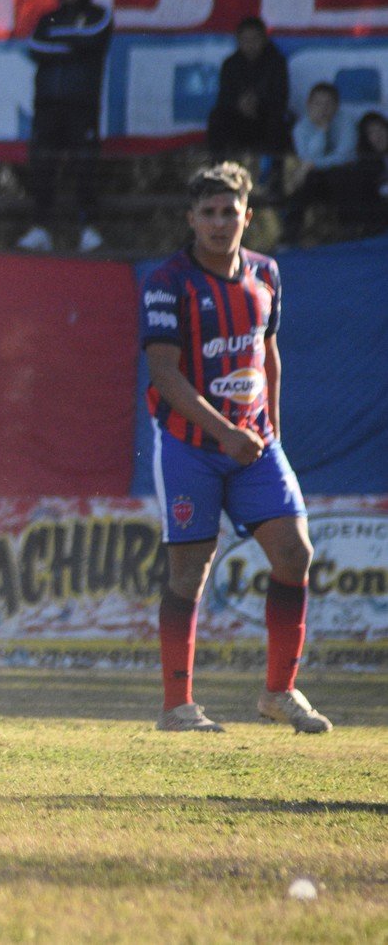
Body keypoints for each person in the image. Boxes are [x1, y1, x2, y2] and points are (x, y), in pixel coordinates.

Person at [140, 161, 330, 735]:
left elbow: (268, 355)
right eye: (209, 213)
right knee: (188, 575)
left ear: (250, 215)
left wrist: (271, 431)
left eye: (231, 212)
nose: (220, 223)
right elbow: (164, 374)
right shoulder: (168, 282)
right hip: (189, 446)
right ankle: (178, 708)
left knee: (295, 555)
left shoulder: (267, 275)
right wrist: (224, 432)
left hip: (256, 445)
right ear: (191, 219)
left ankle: (279, 694)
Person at [17, 0, 113, 255]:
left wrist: (59, 46)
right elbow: (35, 47)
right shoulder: (49, 19)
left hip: (81, 106)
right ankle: (41, 228)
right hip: (47, 105)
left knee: (84, 166)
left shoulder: (99, 14)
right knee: (42, 165)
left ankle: (89, 229)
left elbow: (93, 38)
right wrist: (71, 48)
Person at [280, 82, 358, 246]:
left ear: (337, 106)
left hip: (341, 174)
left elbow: (344, 157)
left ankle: (349, 233)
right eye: (318, 103)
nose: (323, 109)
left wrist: (314, 165)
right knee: (306, 183)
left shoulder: (346, 123)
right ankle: (291, 236)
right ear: (309, 105)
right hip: (315, 178)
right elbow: (306, 157)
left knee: (338, 176)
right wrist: (321, 131)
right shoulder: (301, 128)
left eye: (328, 104)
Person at [206, 17, 292, 165]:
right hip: (239, 119)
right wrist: (239, 104)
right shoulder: (230, 64)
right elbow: (224, 97)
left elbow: (280, 97)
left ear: (264, 39)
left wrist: (257, 104)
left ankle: (274, 177)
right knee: (217, 117)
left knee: (278, 122)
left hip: (265, 119)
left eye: (255, 39)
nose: (250, 44)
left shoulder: (277, 63)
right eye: (245, 40)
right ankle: (217, 170)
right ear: (238, 41)